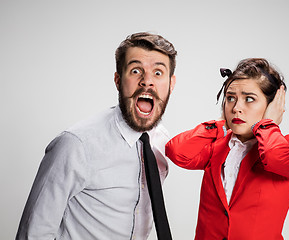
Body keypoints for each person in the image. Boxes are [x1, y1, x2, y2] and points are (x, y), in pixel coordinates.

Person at [16, 32, 177, 240]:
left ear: (171, 84)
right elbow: (33, 232)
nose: (147, 82)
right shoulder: (76, 145)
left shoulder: (162, 142)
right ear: (118, 80)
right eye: (136, 71)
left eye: (158, 73)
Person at [165, 58, 289, 240]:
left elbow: (274, 156)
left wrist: (267, 124)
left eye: (249, 99)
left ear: (272, 106)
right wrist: (222, 126)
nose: (236, 108)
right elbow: (176, 151)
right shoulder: (216, 147)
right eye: (230, 98)